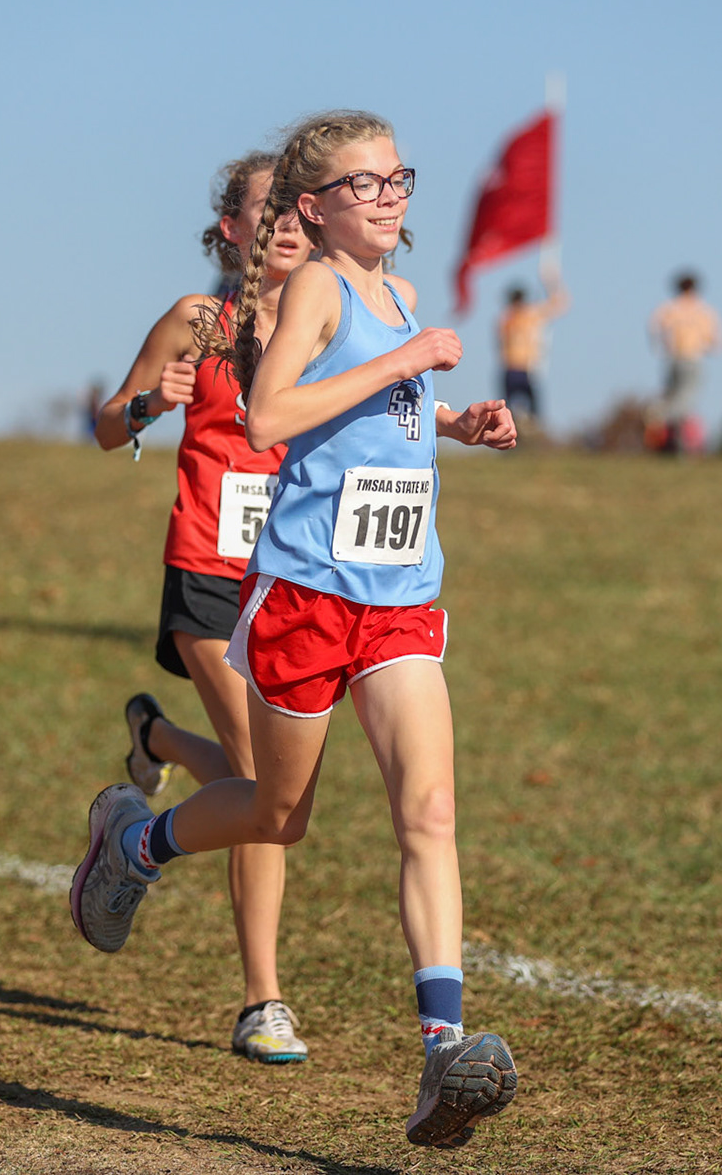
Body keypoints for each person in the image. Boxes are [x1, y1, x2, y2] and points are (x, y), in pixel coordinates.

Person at [69, 111, 521, 1148]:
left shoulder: (399, 295)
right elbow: (271, 416)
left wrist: (462, 419)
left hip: (400, 590)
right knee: (280, 807)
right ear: (315, 208)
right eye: (367, 182)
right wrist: (407, 355)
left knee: (432, 809)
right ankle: (137, 841)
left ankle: (441, 1050)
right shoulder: (311, 290)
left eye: (399, 176)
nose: (392, 194)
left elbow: (377, 410)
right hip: (304, 590)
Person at [89, 151, 312, 1064]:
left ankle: (159, 745)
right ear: (231, 229)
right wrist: (150, 401)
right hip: (209, 574)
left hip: (293, 577)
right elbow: (107, 424)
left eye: (300, 210)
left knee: (274, 786)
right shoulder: (199, 320)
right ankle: (263, 1001)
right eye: (270, 212)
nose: (289, 226)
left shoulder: (326, 323)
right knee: (266, 782)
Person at [648, 270, 720, 454]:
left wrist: (662, 345)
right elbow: (714, 341)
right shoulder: (702, 311)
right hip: (692, 359)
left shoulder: (670, 309)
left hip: (672, 359)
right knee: (685, 402)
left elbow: (653, 326)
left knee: (674, 397)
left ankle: (674, 445)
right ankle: (660, 415)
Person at [494, 268, 569, 423]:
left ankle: (531, 435)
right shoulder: (510, 319)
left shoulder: (523, 316)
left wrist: (551, 282)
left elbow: (560, 303)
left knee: (533, 411)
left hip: (524, 369)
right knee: (508, 412)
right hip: (513, 368)